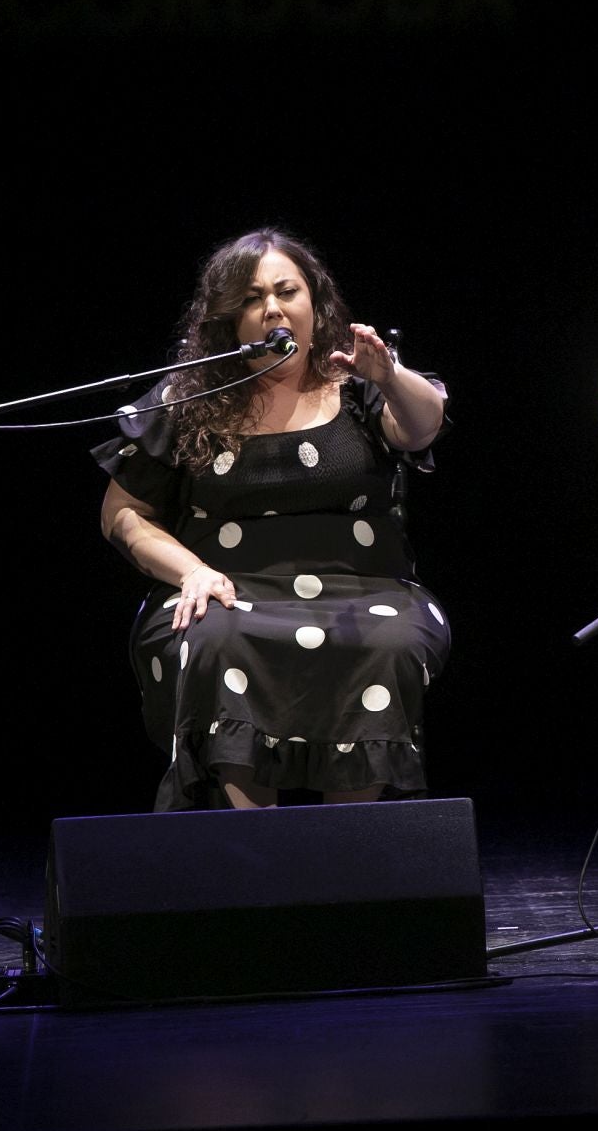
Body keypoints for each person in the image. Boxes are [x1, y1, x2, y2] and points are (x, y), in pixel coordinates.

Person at [93, 228, 452, 813]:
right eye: (251, 299)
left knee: (387, 642)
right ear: (228, 320)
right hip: (229, 592)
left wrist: (388, 375)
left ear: (315, 302)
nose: (272, 309)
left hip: (365, 593)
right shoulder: (186, 399)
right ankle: (251, 848)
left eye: (287, 292)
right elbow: (124, 515)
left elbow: (421, 428)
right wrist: (191, 572)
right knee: (214, 640)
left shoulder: (358, 384)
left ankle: (349, 845)